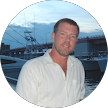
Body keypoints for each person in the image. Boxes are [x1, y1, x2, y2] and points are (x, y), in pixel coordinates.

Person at [16, 18, 85, 107]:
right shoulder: (32, 68)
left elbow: (80, 97)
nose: (67, 40)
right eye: (63, 34)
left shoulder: (78, 65)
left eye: (72, 36)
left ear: (76, 40)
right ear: (53, 37)